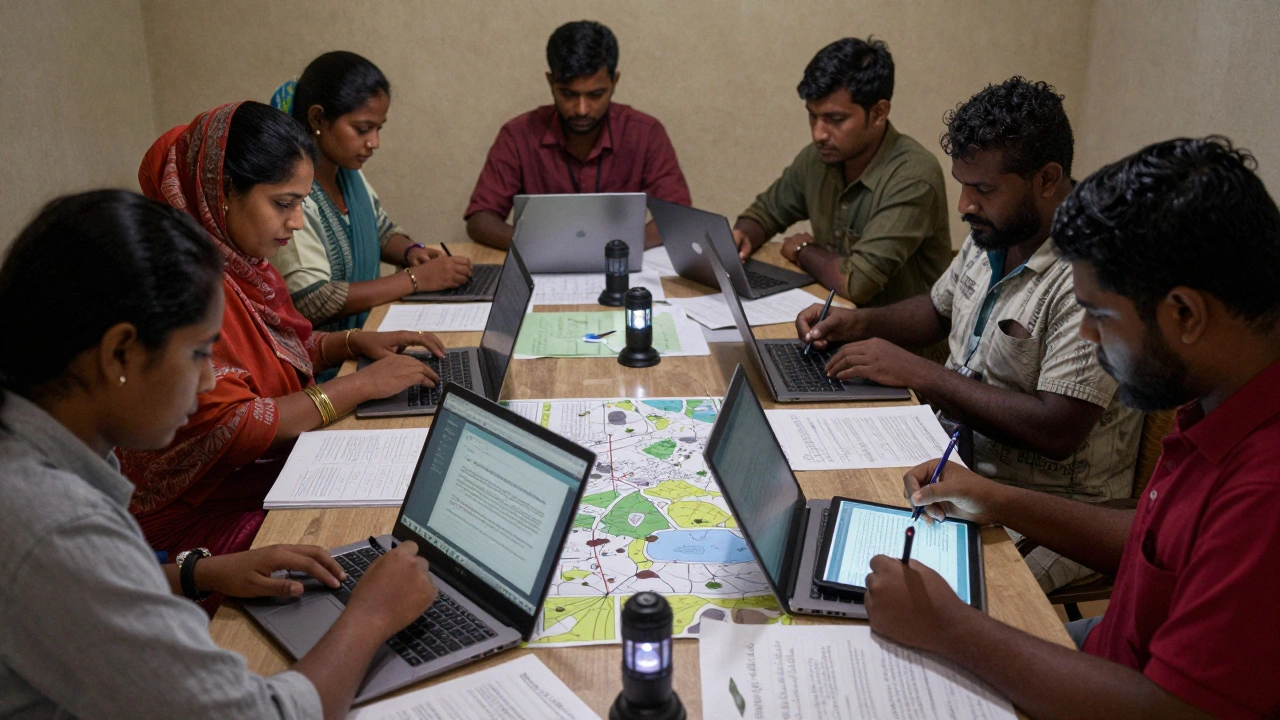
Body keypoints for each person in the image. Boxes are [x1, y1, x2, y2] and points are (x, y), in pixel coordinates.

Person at [864, 136, 1280, 720]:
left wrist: (952, 628)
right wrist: (994, 499)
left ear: (1185, 314)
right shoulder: (1215, 400)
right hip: (1111, 653)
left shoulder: (1264, 493)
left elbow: (1170, 709)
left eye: (1102, 316)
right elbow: (1157, 545)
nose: (1086, 337)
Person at [0, 189, 439, 720]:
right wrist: (370, 617)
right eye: (200, 353)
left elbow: (72, 595)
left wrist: (197, 574)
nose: (210, 379)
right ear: (118, 352)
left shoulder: (36, 447)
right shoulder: (55, 522)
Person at [798, 78, 1142, 591]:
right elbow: (938, 311)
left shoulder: (1088, 273)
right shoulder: (995, 232)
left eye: (983, 189)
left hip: (1051, 513)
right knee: (822, 513)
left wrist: (923, 374)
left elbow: (1057, 431)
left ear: (1047, 179)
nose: (964, 205)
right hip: (956, 466)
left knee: (916, 595)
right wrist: (860, 322)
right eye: (963, 183)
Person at [122, 102, 444, 562]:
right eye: (283, 204)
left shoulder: (244, 267)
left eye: (301, 204)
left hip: (265, 476)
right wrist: (362, 384)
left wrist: (351, 343)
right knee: (353, 552)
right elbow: (235, 425)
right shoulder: (177, 285)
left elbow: (278, 352)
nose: (295, 222)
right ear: (224, 189)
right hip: (194, 514)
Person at [733, 37, 951, 307]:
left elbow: (857, 283)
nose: (818, 133)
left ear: (878, 113)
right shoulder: (819, 158)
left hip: (903, 344)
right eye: (812, 116)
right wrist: (742, 234)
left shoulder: (913, 176)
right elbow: (767, 212)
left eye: (835, 119)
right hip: (839, 322)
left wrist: (803, 250)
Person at [270, 51, 473, 337]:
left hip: (368, 335)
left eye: (379, 129)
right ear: (318, 118)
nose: (374, 142)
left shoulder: (347, 172)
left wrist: (411, 252)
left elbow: (380, 230)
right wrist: (415, 280)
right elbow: (312, 300)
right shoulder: (289, 194)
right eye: (363, 129)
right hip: (322, 363)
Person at [464, 20, 691, 250]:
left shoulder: (645, 133)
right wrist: (544, 247)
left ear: (614, 82)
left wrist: (617, 248)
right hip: (542, 266)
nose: (581, 109)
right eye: (568, 94)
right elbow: (480, 220)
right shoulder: (518, 135)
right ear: (550, 82)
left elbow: (678, 215)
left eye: (595, 94)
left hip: (620, 265)